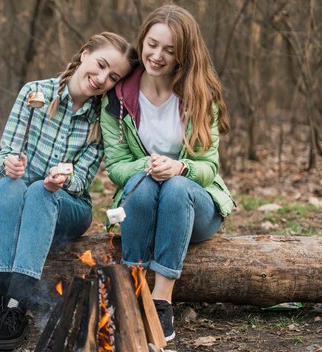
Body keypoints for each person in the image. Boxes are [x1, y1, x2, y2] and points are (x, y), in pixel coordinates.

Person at [0, 32, 138, 350]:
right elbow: (5, 154)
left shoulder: (100, 119)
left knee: (39, 192)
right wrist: (9, 164)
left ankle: (17, 305)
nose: (102, 78)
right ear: (85, 53)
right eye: (100, 65)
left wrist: (60, 180)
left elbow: (82, 180)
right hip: (21, 195)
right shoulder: (35, 92)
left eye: (113, 76)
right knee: (9, 187)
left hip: (67, 205)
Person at [100, 5, 234, 342]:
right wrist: (147, 165)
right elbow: (116, 168)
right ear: (142, 40)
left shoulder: (200, 96)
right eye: (152, 44)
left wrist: (181, 167)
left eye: (169, 50)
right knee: (141, 185)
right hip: (142, 203)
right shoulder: (118, 98)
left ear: (182, 56)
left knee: (175, 186)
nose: (157, 56)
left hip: (195, 207)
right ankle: (132, 289)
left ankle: (161, 301)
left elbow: (209, 166)